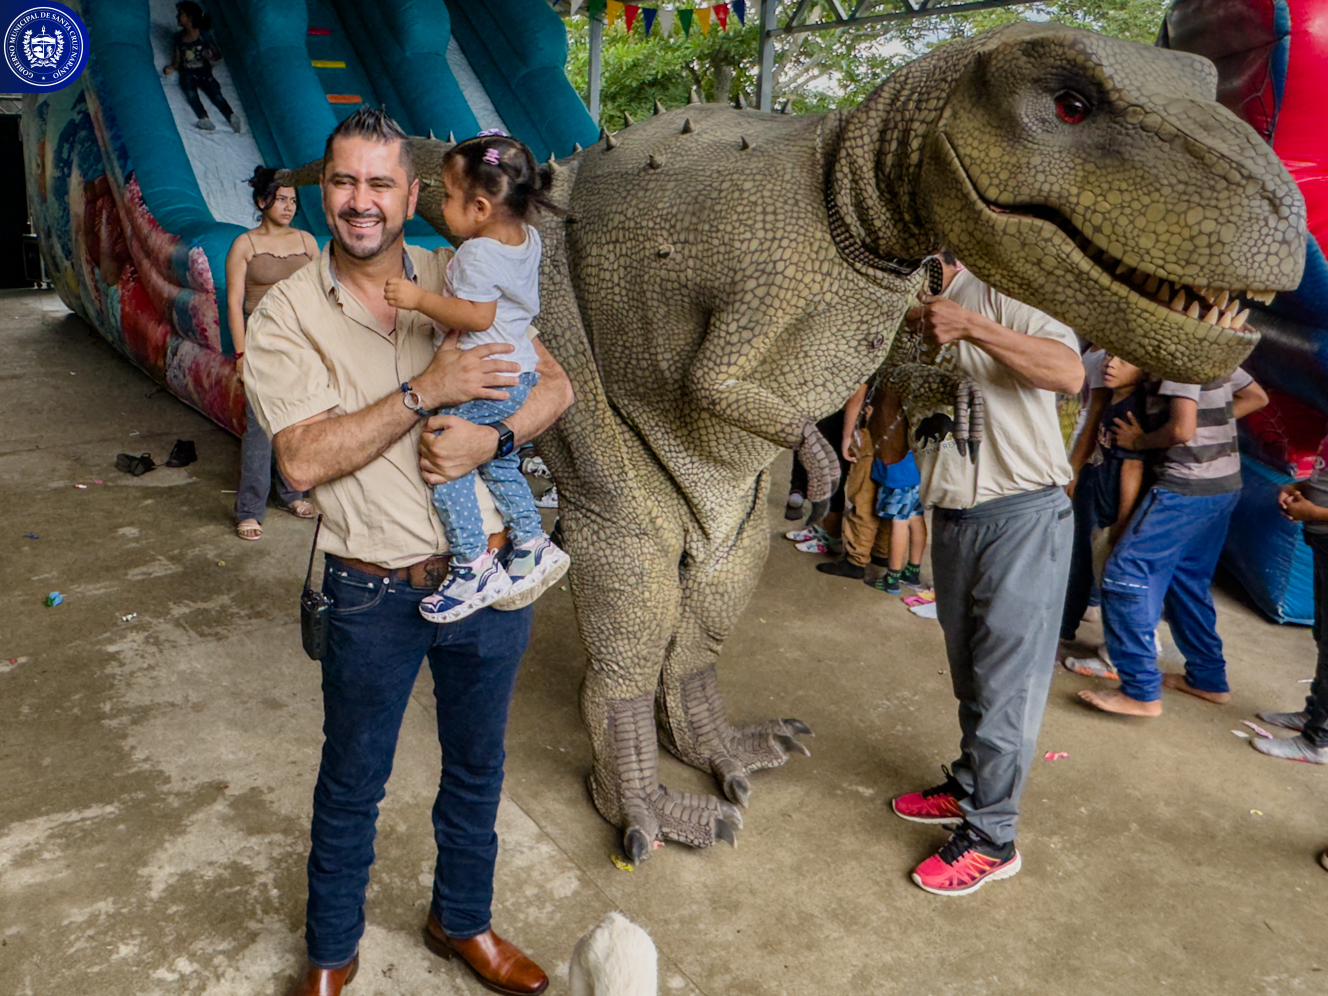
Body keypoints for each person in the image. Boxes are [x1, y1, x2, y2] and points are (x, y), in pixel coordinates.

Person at [242, 108, 573, 996]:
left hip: (488, 580)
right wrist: (427, 390)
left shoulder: (458, 268)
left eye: (380, 183)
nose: (362, 200)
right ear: (325, 189)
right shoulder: (286, 314)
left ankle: (462, 921)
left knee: (478, 767)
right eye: (345, 181)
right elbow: (300, 460)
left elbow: (555, 385)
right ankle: (331, 950)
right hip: (370, 590)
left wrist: (493, 441)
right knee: (352, 780)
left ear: (412, 194)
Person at [885, 255, 1084, 897]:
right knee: (971, 673)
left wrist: (971, 325)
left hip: (1022, 515)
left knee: (1006, 689)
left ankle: (993, 839)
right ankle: (969, 787)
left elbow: (1069, 371)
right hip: (953, 517)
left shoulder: (1004, 289)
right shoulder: (903, 310)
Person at [382, 132, 569, 623]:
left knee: (445, 456)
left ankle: (472, 564)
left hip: (486, 373)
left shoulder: (476, 254)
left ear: (481, 207)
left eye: (447, 196)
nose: (443, 206)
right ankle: (531, 541)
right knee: (499, 461)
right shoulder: (526, 239)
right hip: (518, 373)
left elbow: (476, 315)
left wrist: (419, 300)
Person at [1078, 367, 1267, 717]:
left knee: (1124, 572)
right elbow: (1257, 397)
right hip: (1223, 483)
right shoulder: (1214, 351)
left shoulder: (1177, 360)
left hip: (1186, 486)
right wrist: (1210, 429)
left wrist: (1142, 441)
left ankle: (1139, 691)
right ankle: (1208, 679)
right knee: (1185, 580)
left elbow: (1181, 430)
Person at [224, 167, 318, 540]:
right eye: (281, 199)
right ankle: (249, 510)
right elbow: (234, 304)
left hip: (303, 343)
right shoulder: (244, 244)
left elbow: (323, 296)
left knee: (300, 422)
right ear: (262, 201)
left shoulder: (307, 241)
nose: (289, 207)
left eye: (293, 200)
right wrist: (241, 354)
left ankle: (292, 493)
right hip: (262, 342)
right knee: (261, 428)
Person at [1060, 353, 1150, 677]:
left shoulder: (1131, 411)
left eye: (1124, 361)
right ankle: (1066, 626)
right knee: (1082, 558)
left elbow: (1132, 468)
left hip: (1111, 506)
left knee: (1103, 569)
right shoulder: (1114, 400)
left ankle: (1121, 653)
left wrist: (1122, 522)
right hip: (1096, 488)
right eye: (1110, 356)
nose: (1110, 364)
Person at [1247, 433, 1328, 765]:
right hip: (1321, 541)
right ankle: (1315, 713)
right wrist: (1300, 488)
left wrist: (1314, 511)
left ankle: (1316, 742)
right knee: (1323, 636)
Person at [864, 389, 927, 594]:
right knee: (916, 518)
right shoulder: (920, 405)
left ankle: (892, 578)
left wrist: (870, 418)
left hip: (898, 474)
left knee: (899, 522)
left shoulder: (894, 402)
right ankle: (913, 572)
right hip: (917, 471)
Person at [162, 2, 242, 134]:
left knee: (215, 94)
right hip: (188, 73)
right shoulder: (179, 38)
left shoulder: (203, 35)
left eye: (180, 14)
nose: (177, 17)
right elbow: (177, 58)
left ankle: (231, 116)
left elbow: (217, 55)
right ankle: (204, 118)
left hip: (203, 70)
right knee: (192, 95)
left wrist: (208, 58)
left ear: (189, 17)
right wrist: (172, 68)